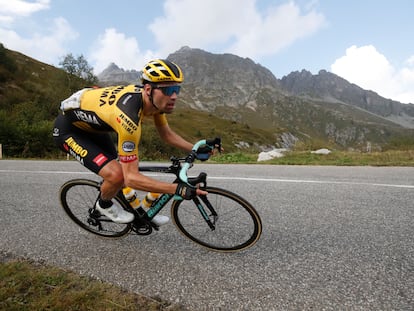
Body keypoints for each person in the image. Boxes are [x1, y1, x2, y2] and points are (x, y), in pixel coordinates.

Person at [53, 59, 209, 225]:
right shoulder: (129, 118)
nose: (174, 96)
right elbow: (131, 179)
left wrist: (195, 149)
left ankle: (139, 212)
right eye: (169, 90)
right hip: (69, 131)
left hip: (93, 128)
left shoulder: (155, 101)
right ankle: (103, 204)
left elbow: (167, 135)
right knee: (117, 175)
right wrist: (177, 189)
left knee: (119, 169)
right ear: (148, 89)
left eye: (177, 89)